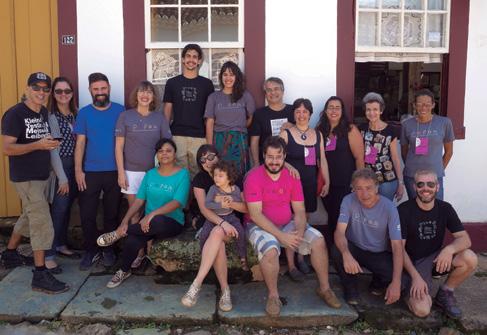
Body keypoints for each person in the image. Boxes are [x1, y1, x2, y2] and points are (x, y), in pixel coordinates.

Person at [244, 136, 341, 317]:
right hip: (257, 225)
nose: (274, 161)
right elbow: (256, 214)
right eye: (270, 157)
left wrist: (300, 233)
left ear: (284, 156)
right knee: (271, 249)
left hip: (287, 223)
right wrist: (282, 237)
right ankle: (273, 296)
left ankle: (325, 288)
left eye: (278, 157)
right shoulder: (253, 177)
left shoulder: (292, 176)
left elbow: (299, 209)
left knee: (319, 241)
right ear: (263, 156)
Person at [1, 72, 69, 293]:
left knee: (29, 216)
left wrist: (48, 149)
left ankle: (10, 254)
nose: (41, 92)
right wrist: (37, 145)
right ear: (28, 88)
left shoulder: (42, 113)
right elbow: (7, 148)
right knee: (41, 222)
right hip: (26, 178)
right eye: (36, 87)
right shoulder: (15, 114)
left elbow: (46, 145)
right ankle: (40, 274)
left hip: (42, 177)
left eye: (45, 89)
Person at [99, 138, 190, 288]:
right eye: (160, 151)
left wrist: (151, 215)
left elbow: (177, 202)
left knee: (157, 221)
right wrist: (124, 221)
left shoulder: (182, 174)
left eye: (168, 151)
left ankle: (118, 233)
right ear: (157, 155)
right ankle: (124, 270)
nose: (164, 154)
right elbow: (139, 201)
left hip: (171, 222)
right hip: (146, 224)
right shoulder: (150, 174)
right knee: (134, 238)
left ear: (175, 154)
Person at [399, 169, 477, 319]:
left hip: (435, 259)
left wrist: (448, 250)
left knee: (469, 257)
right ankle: (408, 292)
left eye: (430, 184)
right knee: (422, 310)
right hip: (412, 264)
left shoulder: (445, 208)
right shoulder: (403, 210)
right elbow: (399, 249)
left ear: (437, 186)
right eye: (420, 184)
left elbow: (464, 239)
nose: (425, 188)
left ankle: (445, 292)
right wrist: (415, 277)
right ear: (415, 187)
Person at [113, 81, 171, 268]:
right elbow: (119, 146)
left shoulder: (160, 118)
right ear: (136, 95)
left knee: (152, 212)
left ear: (153, 97)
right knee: (135, 213)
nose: (145, 95)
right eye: (141, 92)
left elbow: (167, 146)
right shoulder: (125, 116)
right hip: (131, 172)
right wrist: (121, 172)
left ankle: (152, 254)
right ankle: (138, 254)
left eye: (149, 92)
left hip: (154, 172)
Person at [74, 72, 124, 271]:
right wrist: (79, 170)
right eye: (96, 89)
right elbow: (80, 144)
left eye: (103, 88)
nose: (100, 92)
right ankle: (91, 250)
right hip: (90, 172)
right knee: (87, 214)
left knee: (111, 214)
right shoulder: (84, 113)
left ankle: (108, 249)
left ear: (109, 88)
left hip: (114, 171)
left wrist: (124, 171)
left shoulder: (121, 111)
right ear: (90, 90)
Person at [182, 160, 247, 312]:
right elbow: (207, 205)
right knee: (216, 234)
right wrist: (220, 205)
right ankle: (225, 291)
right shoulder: (212, 188)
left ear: (229, 178)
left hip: (230, 222)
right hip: (214, 223)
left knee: (221, 232)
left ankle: (196, 284)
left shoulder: (236, 189)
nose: (216, 178)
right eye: (215, 175)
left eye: (220, 176)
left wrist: (231, 203)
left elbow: (244, 207)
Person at [332, 168, 403, 306]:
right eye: (359, 188)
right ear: (353, 189)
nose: (364, 194)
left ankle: (377, 284)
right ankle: (350, 287)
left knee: (394, 273)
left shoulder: (389, 208)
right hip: (355, 247)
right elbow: (339, 232)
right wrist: (346, 254)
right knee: (336, 251)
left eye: (369, 188)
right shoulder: (348, 200)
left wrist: (396, 282)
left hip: (378, 253)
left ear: (377, 188)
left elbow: (397, 245)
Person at [279, 98, 330, 281]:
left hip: (308, 185)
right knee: (291, 222)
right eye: (298, 111)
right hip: (290, 186)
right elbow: (276, 157)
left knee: (304, 221)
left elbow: (322, 160)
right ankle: (291, 264)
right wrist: (288, 166)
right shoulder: (286, 134)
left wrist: (327, 181)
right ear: (294, 114)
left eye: (305, 112)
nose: (301, 115)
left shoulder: (317, 135)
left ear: (310, 114)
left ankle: (301, 256)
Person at [316, 96, 364, 246]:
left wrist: (358, 183)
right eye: (331, 107)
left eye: (338, 107)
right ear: (325, 110)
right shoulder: (320, 130)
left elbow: (359, 158)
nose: (334, 110)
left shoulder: (350, 129)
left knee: (341, 217)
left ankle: (343, 250)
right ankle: (333, 250)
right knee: (331, 215)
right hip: (326, 183)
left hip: (345, 182)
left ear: (342, 111)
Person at [45, 77, 81, 273]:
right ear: (53, 94)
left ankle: (60, 245)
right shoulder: (51, 116)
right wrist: (63, 178)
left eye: (67, 91)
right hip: (61, 166)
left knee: (66, 208)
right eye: (58, 91)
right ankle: (49, 254)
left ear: (72, 93)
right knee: (58, 210)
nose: (63, 95)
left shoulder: (75, 115)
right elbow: (53, 150)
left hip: (75, 166)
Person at [163, 44, 215, 178]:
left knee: (199, 174)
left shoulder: (207, 84)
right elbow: (168, 109)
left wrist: (209, 141)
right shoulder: (172, 83)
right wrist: (165, 133)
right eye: (188, 56)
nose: (191, 59)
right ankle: (183, 200)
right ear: (182, 59)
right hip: (177, 135)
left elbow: (210, 114)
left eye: (195, 57)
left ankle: (197, 200)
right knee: (180, 175)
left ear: (199, 61)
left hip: (199, 136)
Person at [401, 89, 454, 200]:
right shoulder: (406, 124)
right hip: (412, 175)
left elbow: (449, 152)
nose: (423, 108)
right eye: (419, 104)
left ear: (433, 105)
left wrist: (438, 169)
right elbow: (404, 151)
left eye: (427, 104)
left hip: (434, 176)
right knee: (415, 208)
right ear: (414, 105)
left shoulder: (444, 123)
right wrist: (413, 165)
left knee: (437, 208)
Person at [205, 61, 255, 175]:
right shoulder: (213, 97)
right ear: (221, 76)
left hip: (239, 140)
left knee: (240, 173)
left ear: (237, 77)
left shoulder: (245, 95)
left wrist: (238, 127)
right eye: (225, 74)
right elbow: (210, 122)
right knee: (220, 173)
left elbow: (250, 118)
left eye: (231, 74)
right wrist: (209, 147)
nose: (228, 78)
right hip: (219, 140)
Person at [359, 92, 404, 201]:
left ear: (381, 110)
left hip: (387, 180)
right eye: (368, 109)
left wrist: (400, 183)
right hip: (368, 180)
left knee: (385, 210)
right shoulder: (361, 129)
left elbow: (395, 157)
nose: (371, 113)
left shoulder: (390, 130)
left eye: (375, 109)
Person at [249, 77, 294, 166]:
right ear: (265, 94)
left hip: (291, 161)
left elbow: (303, 133)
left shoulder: (293, 110)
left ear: (283, 91)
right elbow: (254, 141)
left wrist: (293, 127)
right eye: (269, 90)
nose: (273, 92)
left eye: (276, 89)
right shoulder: (259, 114)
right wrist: (256, 164)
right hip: (267, 163)